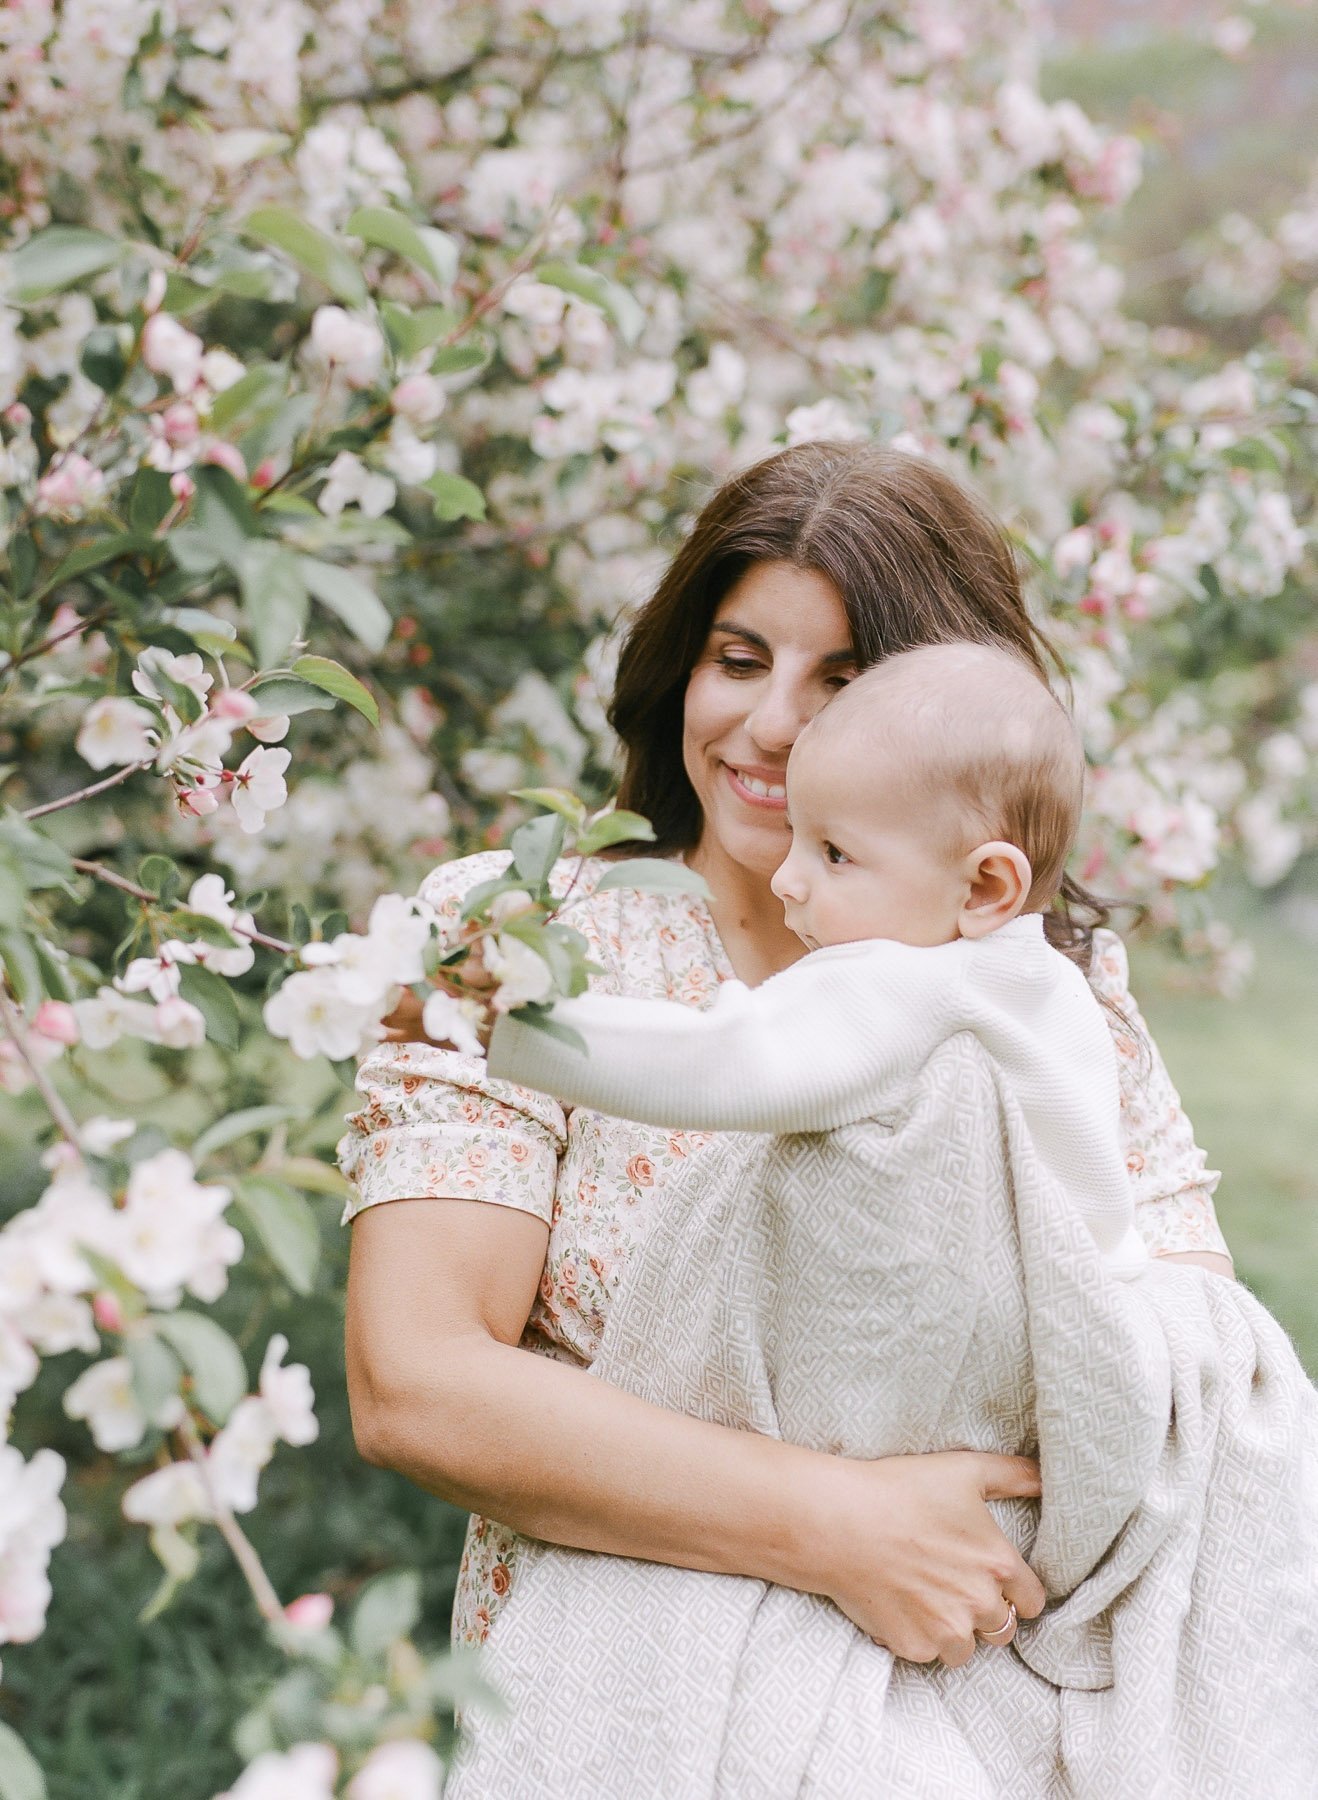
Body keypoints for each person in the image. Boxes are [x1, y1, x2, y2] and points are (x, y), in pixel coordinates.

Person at [341, 442, 1232, 1675]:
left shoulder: (1047, 991)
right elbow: (418, 1382)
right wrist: (838, 1529)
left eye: (842, 679)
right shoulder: (523, 941)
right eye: (739, 660)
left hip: (984, 1667)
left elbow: (1179, 1343)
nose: (769, 726)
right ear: (681, 668)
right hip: (630, 1669)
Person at [485, 640, 1151, 1286]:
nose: (787, 880)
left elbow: (729, 1060)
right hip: (1089, 1310)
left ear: (984, 888)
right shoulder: (1056, 987)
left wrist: (524, 1024)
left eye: (834, 853)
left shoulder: (903, 983)